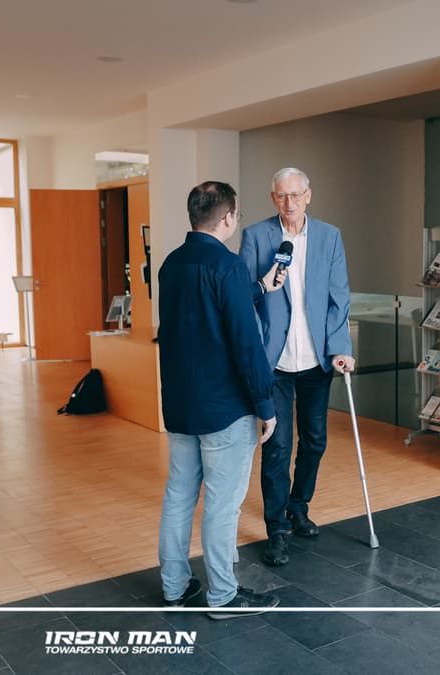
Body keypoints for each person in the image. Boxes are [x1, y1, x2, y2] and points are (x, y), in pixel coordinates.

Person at [157, 180, 288, 619]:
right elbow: (246, 343)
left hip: (180, 404)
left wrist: (260, 287)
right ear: (229, 218)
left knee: (179, 496)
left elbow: (202, 311)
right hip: (225, 409)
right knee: (222, 503)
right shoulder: (228, 266)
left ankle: (175, 588)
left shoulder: (171, 265)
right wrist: (265, 405)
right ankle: (223, 596)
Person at [240, 167, 355, 567]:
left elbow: (339, 298)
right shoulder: (256, 237)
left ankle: (298, 506)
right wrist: (256, 349)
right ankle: (276, 529)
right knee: (277, 447)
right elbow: (244, 299)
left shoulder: (329, 236)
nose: (289, 203)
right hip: (274, 363)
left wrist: (340, 348)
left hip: (316, 361)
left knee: (315, 441)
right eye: (281, 196)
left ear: (309, 195)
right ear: (273, 198)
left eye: (295, 195)